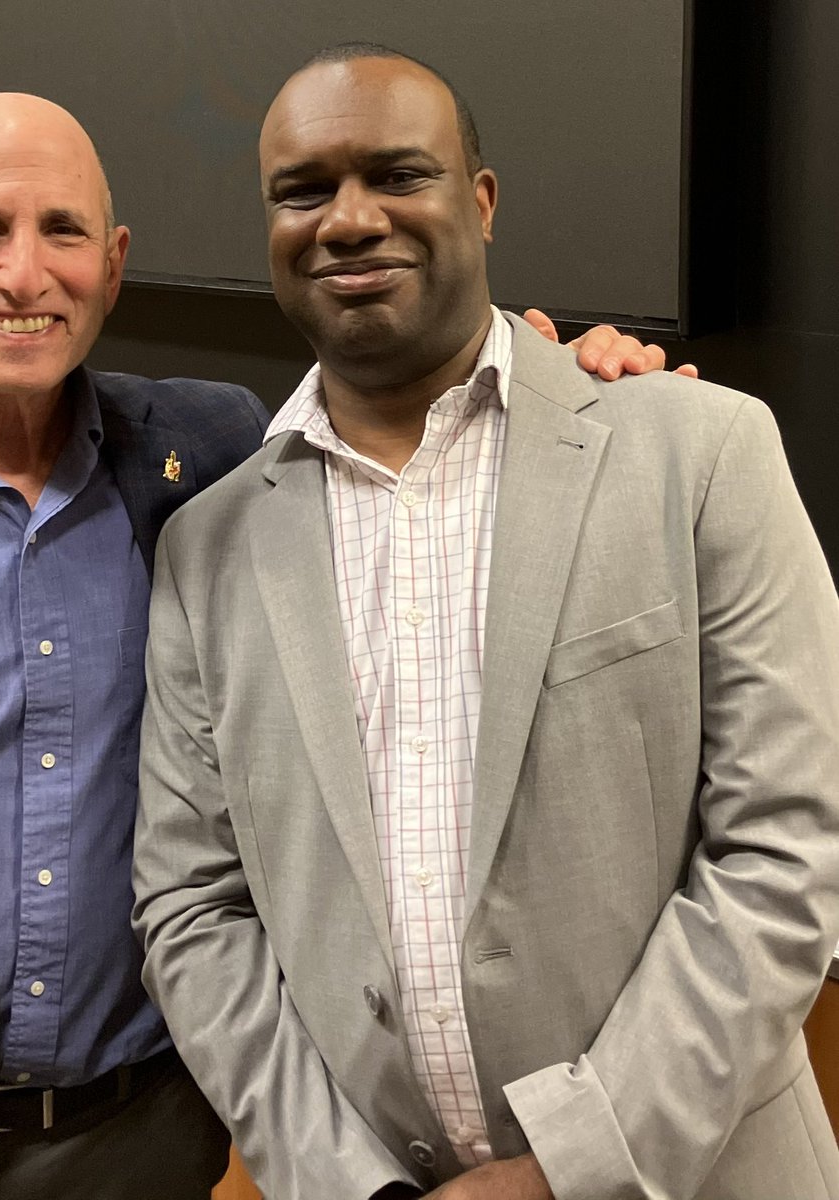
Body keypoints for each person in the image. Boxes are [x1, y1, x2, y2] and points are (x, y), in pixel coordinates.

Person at [0, 89, 675, 1200]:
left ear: (112, 265)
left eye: (63, 231)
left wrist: (572, 375)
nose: (25, 272)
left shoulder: (212, 453)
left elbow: (424, 410)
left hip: (143, 1138)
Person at [132, 45, 839, 1200]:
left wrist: (566, 1167)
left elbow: (784, 849)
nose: (347, 220)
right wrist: (347, 1185)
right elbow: (188, 905)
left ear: (481, 199)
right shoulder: (206, 550)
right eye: (301, 191)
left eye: (396, 173)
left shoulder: (698, 452)